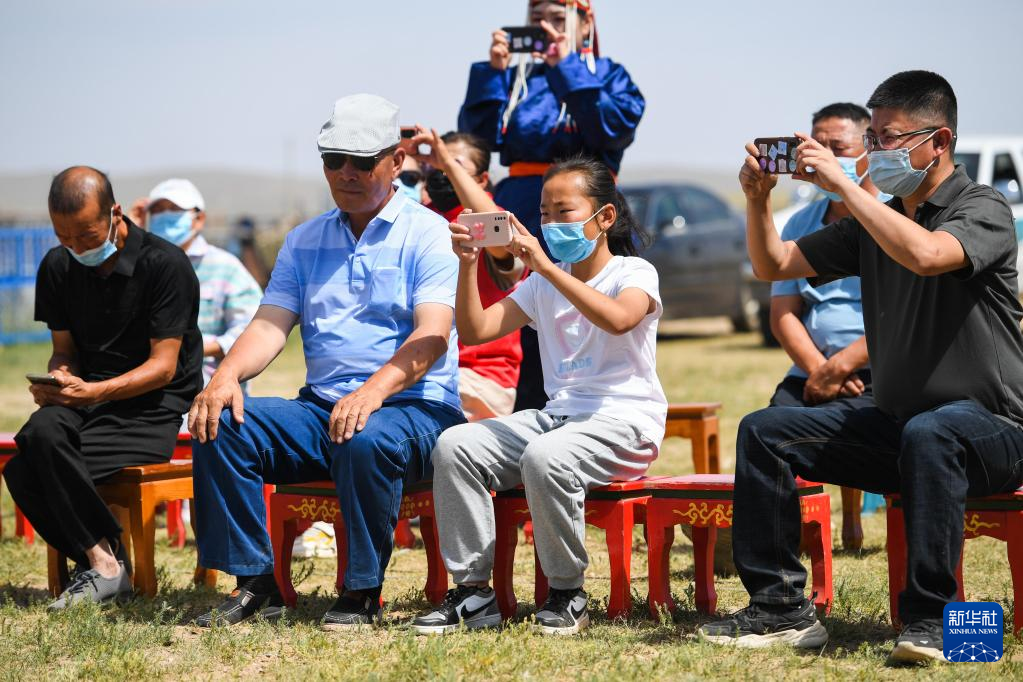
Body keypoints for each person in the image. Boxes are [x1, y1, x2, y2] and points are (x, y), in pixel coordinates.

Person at [698, 71, 1023, 664]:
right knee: (765, 432)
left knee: (933, 431)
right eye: (872, 138)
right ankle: (780, 609)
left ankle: (933, 621)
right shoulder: (875, 219)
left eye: (888, 138)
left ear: (939, 141)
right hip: (903, 428)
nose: (876, 150)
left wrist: (849, 190)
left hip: (994, 432)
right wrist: (757, 199)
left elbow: (926, 254)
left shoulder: (984, 208)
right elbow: (773, 265)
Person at [188, 94, 465, 629]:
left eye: (361, 161)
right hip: (324, 409)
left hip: (415, 410)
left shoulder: (429, 233)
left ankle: (361, 591)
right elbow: (269, 325)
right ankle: (256, 583)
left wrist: (372, 393)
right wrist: (225, 376)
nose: (345, 173)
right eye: (333, 160)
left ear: (396, 161)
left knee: (364, 436)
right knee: (220, 421)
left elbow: (431, 337)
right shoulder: (304, 240)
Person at [412, 158, 666, 636]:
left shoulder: (633, 272)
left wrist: (546, 268)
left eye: (564, 211)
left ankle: (567, 593)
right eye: (544, 213)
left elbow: (618, 319)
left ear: (605, 217)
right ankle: (473, 593)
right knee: (455, 445)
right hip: (559, 419)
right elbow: (476, 329)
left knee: (546, 457)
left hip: (625, 423)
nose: (550, 224)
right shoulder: (541, 284)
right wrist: (468, 265)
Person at [4, 166, 202, 610]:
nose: (76, 248)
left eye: (87, 236)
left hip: (150, 407)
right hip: (87, 399)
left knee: (30, 470)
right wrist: (60, 378)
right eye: (64, 237)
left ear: (115, 214)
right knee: (38, 436)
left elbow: (163, 368)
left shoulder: (165, 265)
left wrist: (95, 393)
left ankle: (104, 568)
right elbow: (63, 352)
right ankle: (105, 562)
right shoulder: (57, 266)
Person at [458, 0, 645, 414]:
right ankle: (526, 425)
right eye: (537, 19)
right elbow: (476, 144)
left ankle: (603, 412)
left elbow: (613, 129)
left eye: (557, 19)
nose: (545, 27)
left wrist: (566, 68)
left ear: (585, 24)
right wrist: (492, 74)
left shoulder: (608, 75)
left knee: (597, 321)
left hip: (586, 215)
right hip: (523, 210)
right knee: (525, 330)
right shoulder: (518, 79)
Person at [768, 102, 890, 551]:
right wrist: (820, 369)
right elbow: (783, 313)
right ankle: (781, 544)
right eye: (816, 146)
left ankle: (858, 517)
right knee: (765, 428)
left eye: (837, 147)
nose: (823, 156)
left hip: (880, 368)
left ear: (869, 151)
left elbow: (901, 315)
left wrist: (842, 366)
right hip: (812, 371)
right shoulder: (801, 223)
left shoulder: (893, 217)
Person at [413, 128, 526, 419]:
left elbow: (499, 235)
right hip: (427, 366)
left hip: (479, 376)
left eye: (453, 165)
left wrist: (445, 161)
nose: (441, 172)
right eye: (434, 167)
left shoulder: (489, 219)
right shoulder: (421, 217)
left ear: (482, 179)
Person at [132, 179, 262, 392]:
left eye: (174, 209)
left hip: (210, 388)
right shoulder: (137, 265)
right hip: (147, 388)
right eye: (157, 211)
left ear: (198, 219)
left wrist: (189, 349)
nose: (164, 216)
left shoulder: (226, 267)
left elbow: (252, 330)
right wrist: (131, 235)